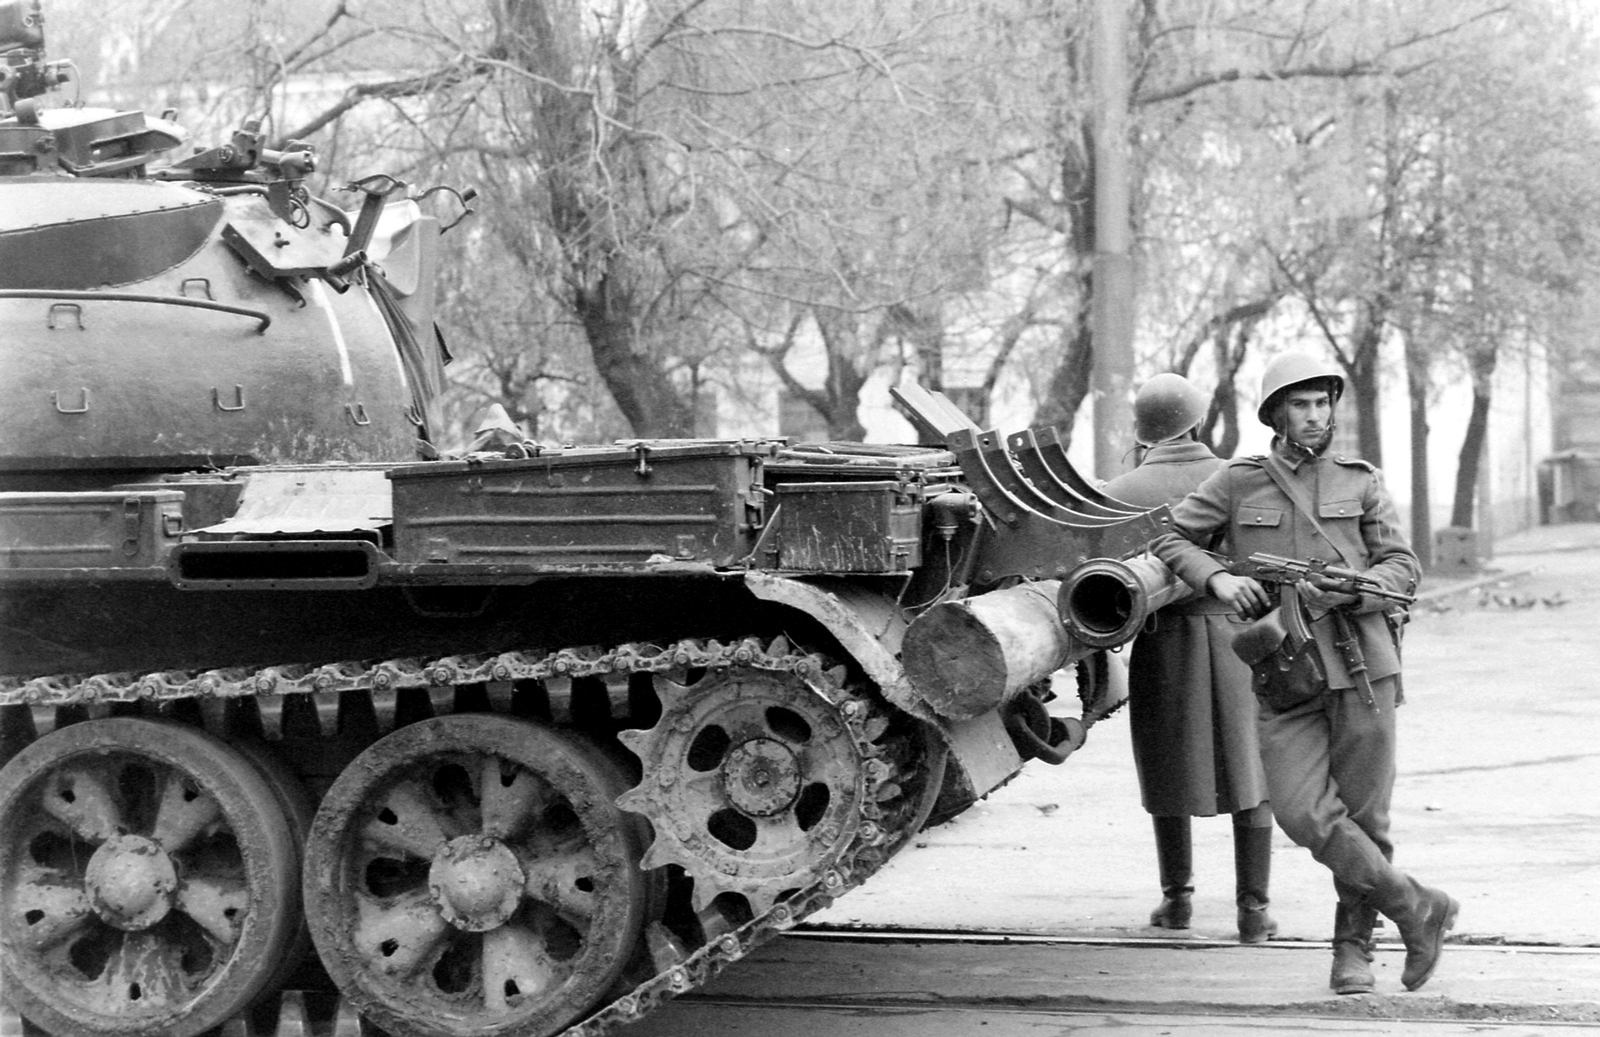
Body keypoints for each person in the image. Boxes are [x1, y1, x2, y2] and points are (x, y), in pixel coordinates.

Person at [1151, 352, 1457, 994]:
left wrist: (1353, 589)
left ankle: (1352, 950)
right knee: (1299, 812)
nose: (1314, 416)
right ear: (1275, 414)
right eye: (1300, 404)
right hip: (1284, 672)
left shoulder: (1362, 481)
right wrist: (1219, 578)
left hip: (1362, 668)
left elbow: (1403, 567)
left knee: (1366, 820)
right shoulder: (1238, 481)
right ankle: (1415, 906)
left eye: (1322, 403)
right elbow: (1169, 538)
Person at [1104, 373, 1277, 944]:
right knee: (1250, 770)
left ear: (1142, 431)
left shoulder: (1119, 491)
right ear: (1198, 421)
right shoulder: (1238, 477)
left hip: (1163, 640)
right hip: (1240, 638)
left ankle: (1177, 901)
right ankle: (1253, 912)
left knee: (1166, 765)